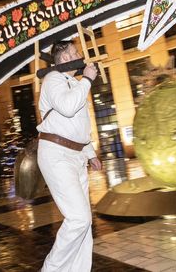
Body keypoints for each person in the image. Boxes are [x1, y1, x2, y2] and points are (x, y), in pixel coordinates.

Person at [36, 40, 102, 272]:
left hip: (76, 155)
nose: (80, 55)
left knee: (85, 222)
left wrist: (90, 152)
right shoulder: (53, 79)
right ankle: (51, 269)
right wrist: (88, 79)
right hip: (57, 155)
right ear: (64, 58)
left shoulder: (73, 82)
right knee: (79, 219)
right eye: (75, 52)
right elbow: (67, 107)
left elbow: (77, 125)